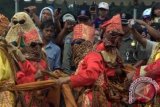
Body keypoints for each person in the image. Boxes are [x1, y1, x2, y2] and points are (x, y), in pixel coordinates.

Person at [56, 14, 129, 107]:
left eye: (119, 36)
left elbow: (92, 75)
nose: (76, 46)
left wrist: (68, 79)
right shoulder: (95, 52)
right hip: (95, 93)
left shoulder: (93, 55)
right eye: (74, 43)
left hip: (96, 97)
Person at [5, 12, 49, 106]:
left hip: (41, 98)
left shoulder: (42, 56)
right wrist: (34, 77)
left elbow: (47, 75)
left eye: (22, 22)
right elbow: (16, 79)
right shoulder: (13, 56)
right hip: (22, 97)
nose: (18, 26)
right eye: (15, 22)